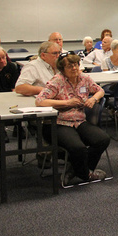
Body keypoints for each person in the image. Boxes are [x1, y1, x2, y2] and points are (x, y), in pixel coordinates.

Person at [35, 52, 110, 184]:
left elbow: (100, 90)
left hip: (79, 120)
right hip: (59, 122)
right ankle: (85, 174)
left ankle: (76, 169)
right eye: (70, 66)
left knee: (102, 139)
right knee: (78, 147)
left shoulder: (84, 78)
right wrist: (66, 103)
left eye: (76, 65)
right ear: (63, 69)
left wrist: (93, 98)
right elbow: (40, 101)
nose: (74, 68)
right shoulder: (57, 81)